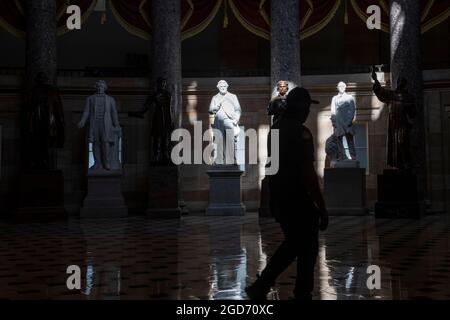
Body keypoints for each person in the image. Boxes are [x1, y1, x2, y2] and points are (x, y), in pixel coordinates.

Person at [246, 87, 328, 300]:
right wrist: (321, 206)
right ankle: (300, 292)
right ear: (301, 107)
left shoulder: (276, 130)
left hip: (280, 198)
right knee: (306, 246)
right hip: (298, 199)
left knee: (294, 243)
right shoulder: (302, 132)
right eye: (308, 106)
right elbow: (309, 174)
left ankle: (263, 285)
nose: (308, 111)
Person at [371, 68, 416, 170]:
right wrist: (376, 80)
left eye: (401, 82)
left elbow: (413, 113)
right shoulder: (391, 95)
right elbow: (379, 91)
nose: (400, 84)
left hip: (402, 123)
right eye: (399, 82)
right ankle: (400, 165)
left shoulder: (407, 97)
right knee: (394, 145)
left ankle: (406, 163)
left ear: (404, 84)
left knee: (402, 142)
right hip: (393, 124)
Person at [24, 71, 65, 170]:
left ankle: (44, 163)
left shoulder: (50, 91)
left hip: (45, 121)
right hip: (39, 122)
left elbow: (58, 108)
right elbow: (28, 108)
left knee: (44, 143)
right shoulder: (33, 91)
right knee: (39, 143)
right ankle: (41, 163)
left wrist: (60, 122)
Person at [78, 80, 121, 170]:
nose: (99, 88)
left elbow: (114, 113)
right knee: (96, 143)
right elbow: (87, 111)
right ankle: (97, 163)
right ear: (96, 87)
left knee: (105, 142)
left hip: (106, 124)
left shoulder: (110, 99)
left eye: (101, 86)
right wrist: (82, 121)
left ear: (105, 88)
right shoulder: (90, 98)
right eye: (98, 86)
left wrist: (116, 125)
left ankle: (106, 162)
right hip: (94, 123)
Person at [129, 77, 174, 164]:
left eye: (164, 83)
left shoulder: (168, 94)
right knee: (157, 137)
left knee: (166, 137)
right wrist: (140, 113)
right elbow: (147, 105)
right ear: (158, 84)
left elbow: (170, 108)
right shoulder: (154, 94)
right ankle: (156, 155)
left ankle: (165, 154)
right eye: (161, 82)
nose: (163, 84)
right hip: (158, 117)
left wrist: (171, 121)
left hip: (166, 117)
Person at [208, 80, 242, 164]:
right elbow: (210, 110)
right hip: (218, 121)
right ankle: (219, 160)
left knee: (230, 140)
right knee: (218, 140)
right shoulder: (215, 97)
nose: (222, 88)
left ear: (227, 87)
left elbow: (238, 110)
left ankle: (231, 160)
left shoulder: (233, 96)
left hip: (229, 120)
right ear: (218, 88)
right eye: (221, 87)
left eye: (224, 87)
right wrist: (215, 107)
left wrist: (236, 119)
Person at [330, 81, 356, 160]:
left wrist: (349, 120)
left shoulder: (349, 97)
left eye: (342, 86)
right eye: (339, 86)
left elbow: (352, 109)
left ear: (345, 87)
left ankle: (353, 156)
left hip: (347, 121)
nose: (341, 88)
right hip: (338, 121)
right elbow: (333, 110)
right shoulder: (334, 98)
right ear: (337, 88)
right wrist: (334, 121)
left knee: (350, 140)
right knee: (339, 140)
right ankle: (340, 156)